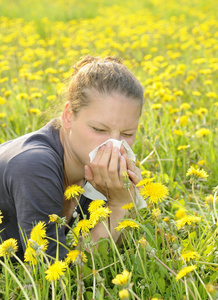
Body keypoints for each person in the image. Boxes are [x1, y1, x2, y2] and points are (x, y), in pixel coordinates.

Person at [0, 55, 144, 261]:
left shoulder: (89, 166)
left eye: (127, 134)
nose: (113, 145)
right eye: (99, 129)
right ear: (68, 116)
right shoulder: (34, 166)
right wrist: (119, 207)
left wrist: (127, 202)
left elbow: (104, 250)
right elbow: (53, 277)